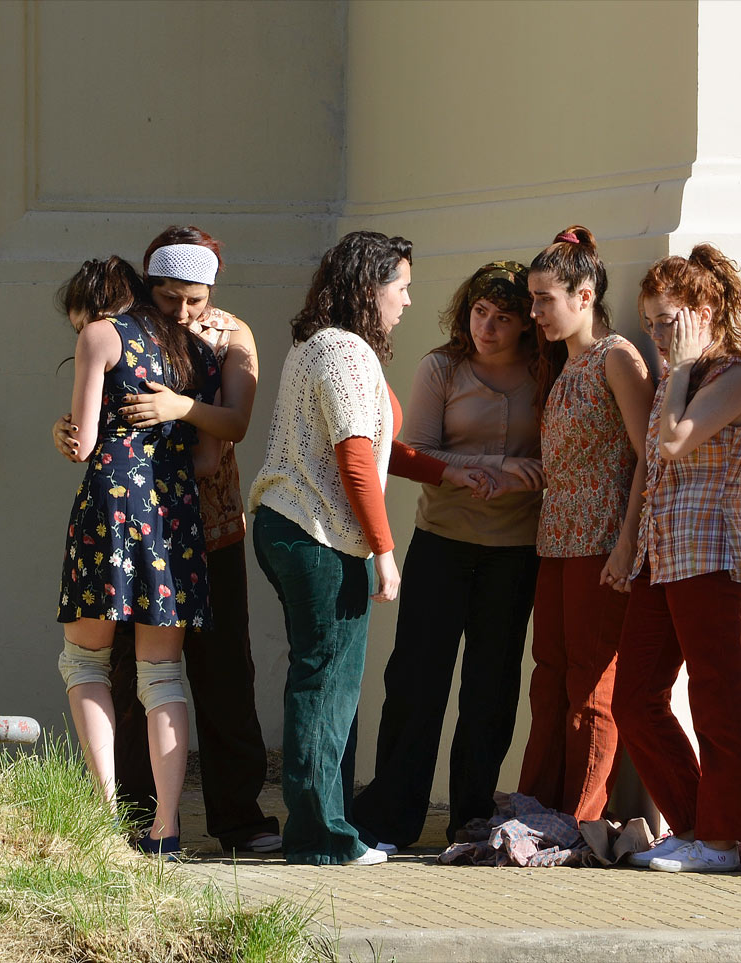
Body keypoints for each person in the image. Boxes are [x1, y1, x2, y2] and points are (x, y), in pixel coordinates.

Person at [248, 231, 483, 866]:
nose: (407, 300)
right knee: (328, 685)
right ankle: (321, 838)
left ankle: (324, 826)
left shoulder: (320, 346)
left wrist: (443, 473)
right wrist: (384, 551)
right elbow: (354, 457)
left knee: (324, 682)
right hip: (317, 536)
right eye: (401, 286)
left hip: (294, 528)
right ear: (367, 286)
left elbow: (373, 447)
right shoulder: (345, 351)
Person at [53, 226, 281, 854]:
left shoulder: (229, 337)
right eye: (171, 297)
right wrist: (66, 427)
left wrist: (180, 406)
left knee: (222, 672)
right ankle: (144, 818)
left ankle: (235, 818)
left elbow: (233, 424)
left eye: (195, 299)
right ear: (147, 286)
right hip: (170, 522)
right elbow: (89, 427)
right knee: (142, 676)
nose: (183, 311)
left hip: (208, 525)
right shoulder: (147, 333)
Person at [352, 261, 550, 849]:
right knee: (416, 681)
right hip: (441, 543)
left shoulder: (547, 372)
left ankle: (471, 818)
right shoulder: (441, 367)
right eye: (479, 313)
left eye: (504, 317)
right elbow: (414, 450)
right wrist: (490, 470)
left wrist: (521, 478)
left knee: (490, 690)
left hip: (514, 552)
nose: (487, 327)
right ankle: (391, 819)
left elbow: (557, 461)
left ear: (526, 325)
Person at [55, 256, 221, 858]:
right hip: (173, 515)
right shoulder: (198, 355)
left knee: (84, 662)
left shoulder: (100, 335)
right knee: (162, 676)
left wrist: (64, 431)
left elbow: (85, 444)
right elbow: (206, 458)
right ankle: (167, 828)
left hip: (111, 511)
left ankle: (103, 820)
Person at [612, 245, 741, 874]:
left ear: (704, 311)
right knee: (635, 698)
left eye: (666, 320)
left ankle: (725, 839)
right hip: (659, 556)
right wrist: (627, 544)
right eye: (648, 323)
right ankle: (698, 824)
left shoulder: (735, 378)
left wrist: (676, 368)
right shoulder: (685, 378)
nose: (655, 335)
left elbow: (674, 442)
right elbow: (652, 471)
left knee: (717, 697)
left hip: (709, 556)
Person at [516, 226, 654, 821]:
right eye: (533, 298)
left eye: (545, 298)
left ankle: (582, 817)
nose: (535, 312)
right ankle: (537, 804)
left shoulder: (617, 359)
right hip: (556, 542)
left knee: (593, 684)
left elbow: (649, 454)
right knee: (548, 677)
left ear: (585, 293)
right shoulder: (563, 366)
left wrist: (628, 543)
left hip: (601, 545)